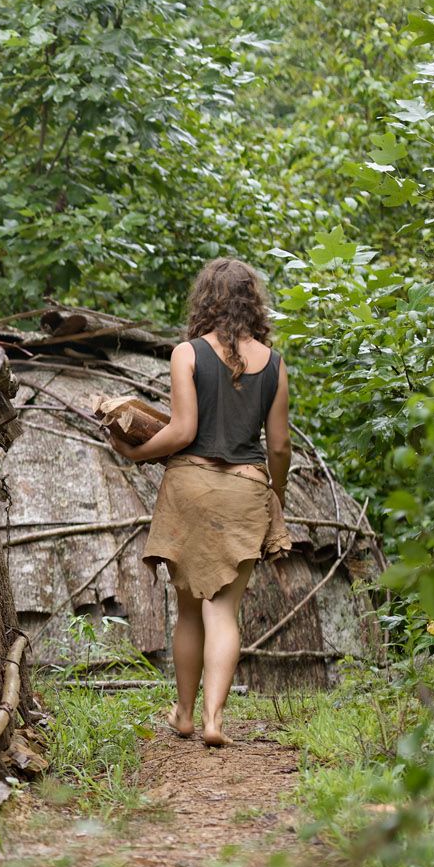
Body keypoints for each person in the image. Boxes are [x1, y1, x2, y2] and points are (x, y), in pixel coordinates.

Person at [109, 258, 293, 747]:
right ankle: (215, 720)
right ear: (252, 301)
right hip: (246, 491)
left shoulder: (187, 353)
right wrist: (276, 491)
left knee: (189, 611)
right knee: (223, 612)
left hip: (190, 486)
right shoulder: (274, 363)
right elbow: (278, 445)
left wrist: (134, 452)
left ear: (206, 298)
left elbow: (183, 431)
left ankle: (185, 715)